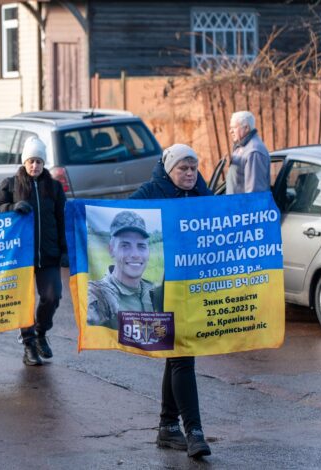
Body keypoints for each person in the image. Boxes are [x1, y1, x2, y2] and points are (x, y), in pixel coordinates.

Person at [129, 143, 213, 458]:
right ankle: (194, 431)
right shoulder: (151, 191)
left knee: (176, 355)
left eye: (193, 168)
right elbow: (119, 221)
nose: (190, 174)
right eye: (183, 168)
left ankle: (168, 426)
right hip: (161, 287)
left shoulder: (202, 194)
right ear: (170, 169)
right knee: (182, 354)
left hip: (190, 288)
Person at [0, 136, 67, 366]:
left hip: (49, 254)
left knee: (52, 297)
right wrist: (11, 207)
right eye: (31, 161)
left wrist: (64, 250)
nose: (35, 166)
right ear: (24, 162)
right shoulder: (11, 185)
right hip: (20, 256)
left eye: (39, 162)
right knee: (23, 301)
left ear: (44, 164)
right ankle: (29, 345)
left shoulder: (53, 188)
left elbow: (62, 219)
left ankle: (41, 333)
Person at [86, 211, 157, 330]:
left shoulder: (155, 292)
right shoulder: (96, 294)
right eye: (125, 245)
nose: (135, 254)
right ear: (111, 250)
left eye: (141, 246)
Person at [227, 111, 270, 194]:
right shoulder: (243, 147)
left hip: (243, 206)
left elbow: (254, 194)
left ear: (246, 128)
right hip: (236, 205)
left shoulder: (253, 152)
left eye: (234, 127)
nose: (230, 131)